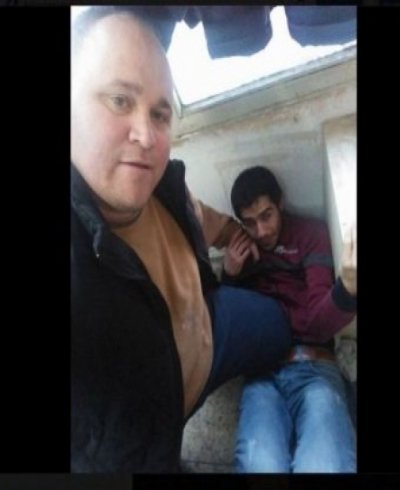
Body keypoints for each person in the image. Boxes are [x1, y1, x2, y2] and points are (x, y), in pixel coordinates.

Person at [71, 7, 291, 473]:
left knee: (280, 326)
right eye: (119, 100)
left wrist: (241, 243)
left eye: (160, 113)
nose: (146, 135)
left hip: (211, 329)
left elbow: (214, 222)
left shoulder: (167, 189)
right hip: (156, 427)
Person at [222, 166, 357, 473]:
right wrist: (229, 276)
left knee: (324, 467)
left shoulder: (311, 235)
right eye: (250, 222)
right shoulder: (243, 250)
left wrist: (347, 290)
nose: (261, 231)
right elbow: (234, 325)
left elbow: (319, 325)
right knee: (259, 466)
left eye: (267, 215)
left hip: (314, 368)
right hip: (262, 373)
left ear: (280, 202)